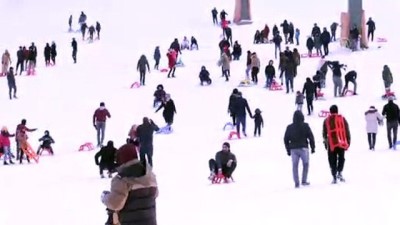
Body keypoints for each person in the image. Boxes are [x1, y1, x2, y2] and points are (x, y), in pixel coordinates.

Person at [101, 142, 158, 225]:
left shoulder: (122, 180)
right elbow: (155, 195)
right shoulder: (150, 176)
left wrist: (105, 197)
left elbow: (115, 204)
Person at [284, 110, 315, 188]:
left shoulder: (289, 127)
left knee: (295, 166)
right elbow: (311, 137)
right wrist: (313, 147)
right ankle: (304, 180)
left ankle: (296, 183)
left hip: (293, 149)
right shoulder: (305, 126)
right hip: (303, 148)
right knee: (306, 164)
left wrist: (288, 149)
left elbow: (286, 139)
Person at [323, 105, 351, 183]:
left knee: (332, 159)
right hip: (341, 141)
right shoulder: (342, 119)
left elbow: (324, 133)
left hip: (331, 143)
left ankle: (334, 175)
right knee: (341, 157)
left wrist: (325, 143)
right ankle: (340, 171)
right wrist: (348, 141)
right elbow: (346, 129)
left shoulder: (327, 120)